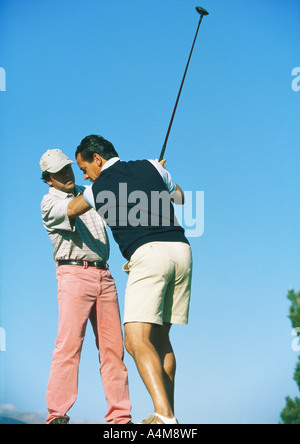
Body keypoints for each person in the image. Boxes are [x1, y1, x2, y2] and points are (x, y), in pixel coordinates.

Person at [68, 135, 193, 425]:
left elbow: (72, 210)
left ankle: (164, 416)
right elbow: (181, 198)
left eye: (84, 169)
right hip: (182, 252)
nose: (85, 176)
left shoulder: (96, 188)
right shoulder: (153, 166)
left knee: (136, 341)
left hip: (149, 255)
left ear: (97, 159)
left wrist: (70, 192)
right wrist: (161, 177)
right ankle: (168, 413)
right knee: (160, 339)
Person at [40, 148, 132, 425]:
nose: (66, 175)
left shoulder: (89, 189)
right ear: (49, 179)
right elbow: (73, 208)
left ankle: (120, 417)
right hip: (73, 274)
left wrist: (151, 171)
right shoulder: (49, 203)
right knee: (69, 346)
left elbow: (120, 193)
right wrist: (98, 187)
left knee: (114, 350)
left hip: (104, 275)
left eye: (67, 168)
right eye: (59, 173)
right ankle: (57, 414)